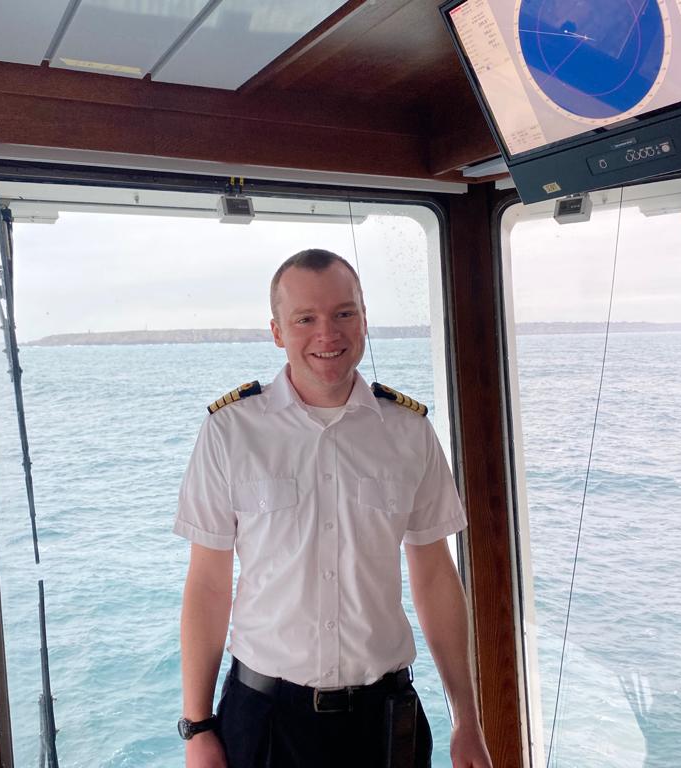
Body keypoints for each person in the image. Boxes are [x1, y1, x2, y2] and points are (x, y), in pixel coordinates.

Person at [175, 248, 493, 768]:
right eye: (306, 318)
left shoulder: (409, 431)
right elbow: (208, 585)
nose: (328, 334)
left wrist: (467, 721)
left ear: (364, 321)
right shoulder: (230, 432)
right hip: (265, 719)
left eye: (344, 313)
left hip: (384, 721)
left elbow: (435, 575)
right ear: (278, 331)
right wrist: (198, 727)